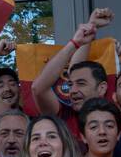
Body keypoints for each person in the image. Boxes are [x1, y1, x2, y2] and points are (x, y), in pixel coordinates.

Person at [31, 8, 115, 136]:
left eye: (81, 83)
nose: (73, 90)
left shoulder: (114, 118)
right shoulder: (64, 118)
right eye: (70, 84)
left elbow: (77, 69)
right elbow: (38, 88)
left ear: (102, 88)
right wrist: (76, 42)